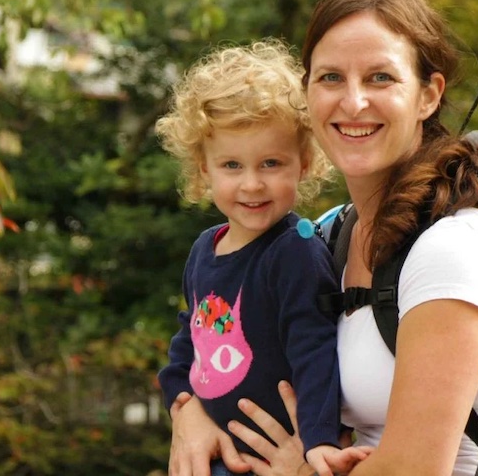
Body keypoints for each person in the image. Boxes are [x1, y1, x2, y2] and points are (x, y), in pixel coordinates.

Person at [169, 0, 478, 476]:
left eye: (380, 77)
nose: (353, 101)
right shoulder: (334, 236)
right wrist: (190, 411)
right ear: (307, 95)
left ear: (428, 95)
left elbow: (413, 467)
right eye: (331, 78)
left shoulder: (454, 247)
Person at [156, 40, 371, 476]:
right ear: (204, 169)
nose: (252, 185)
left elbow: (315, 350)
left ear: (304, 163)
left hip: (267, 458)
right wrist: (181, 403)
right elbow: (191, 335)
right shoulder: (204, 249)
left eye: (271, 163)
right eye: (232, 166)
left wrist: (319, 443)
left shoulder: (294, 252)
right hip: (215, 449)